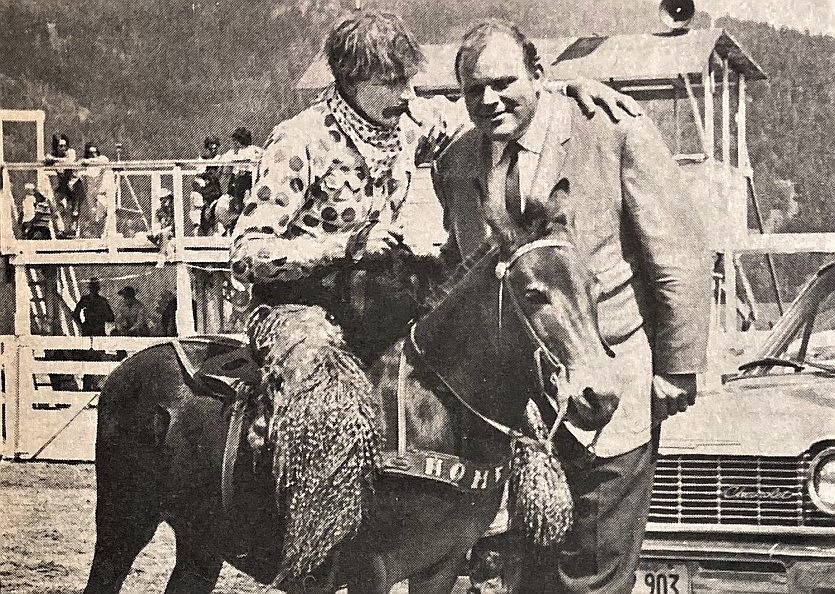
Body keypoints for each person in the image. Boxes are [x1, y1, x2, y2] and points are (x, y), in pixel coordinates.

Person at [432, 20, 711, 593]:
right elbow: (462, 265)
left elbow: (678, 251)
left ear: (539, 74)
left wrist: (678, 366)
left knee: (593, 564)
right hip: (514, 410)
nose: (489, 100)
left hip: (607, 379)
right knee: (527, 571)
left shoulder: (608, 130)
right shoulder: (456, 162)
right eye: (472, 91)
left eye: (504, 82)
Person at [230, 10, 637, 364]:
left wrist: (564, 91)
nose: (408, 96)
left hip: (374, 292)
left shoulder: (409, 121)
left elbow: (484, 107)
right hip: (298, 306)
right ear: (350, 82)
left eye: (408, 80)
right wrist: (346, 246)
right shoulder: (298, 140)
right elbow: (247, 254)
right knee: (324, 389)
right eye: (391, 83)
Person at [72, 278, 115, 390]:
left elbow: (111, 317)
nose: (93, 290)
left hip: (96, 331)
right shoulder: (88, 300)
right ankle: (88, 386)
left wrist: (84, 323)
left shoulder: (101, 301)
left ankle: (94, 385)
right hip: (90, 331)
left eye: (94, 288)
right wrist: (82, 324)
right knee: (89, 358)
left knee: (95, 358)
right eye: (93, 288)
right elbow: (75, 314)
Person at [45, 133, 82, 237]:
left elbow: (68, 161)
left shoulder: (71, 152)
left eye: (65, 145)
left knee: (74, 209)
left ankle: (73, 230)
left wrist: (55, 160)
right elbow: (46, 158)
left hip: (74, 184)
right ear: (56, 146)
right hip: (63, 186)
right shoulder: (54, 155)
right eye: (60, 146)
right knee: (55, 204)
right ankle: (60, 230)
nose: (63, 148)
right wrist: (54, 159)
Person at [221, 127, 262, 217]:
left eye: (236, 141)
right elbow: (224, 160)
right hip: (237, 179)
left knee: (246, 198)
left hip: (250, 178)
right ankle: (237, 210)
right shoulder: (233, 152)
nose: (234, 143)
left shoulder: (253, 150)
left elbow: (258, 158)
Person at [193, 136, 223, 235]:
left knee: (215, 210)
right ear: (207, 148)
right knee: (197, 205)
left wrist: (210, 175)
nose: (213, 150)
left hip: (214, 189)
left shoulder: (220, 159)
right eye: (211, 148)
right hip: (203, 188)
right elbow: (199, 175)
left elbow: (218, 175)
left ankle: (217, 233)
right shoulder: (202, 159)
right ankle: (197, 233)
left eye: (215, 148)